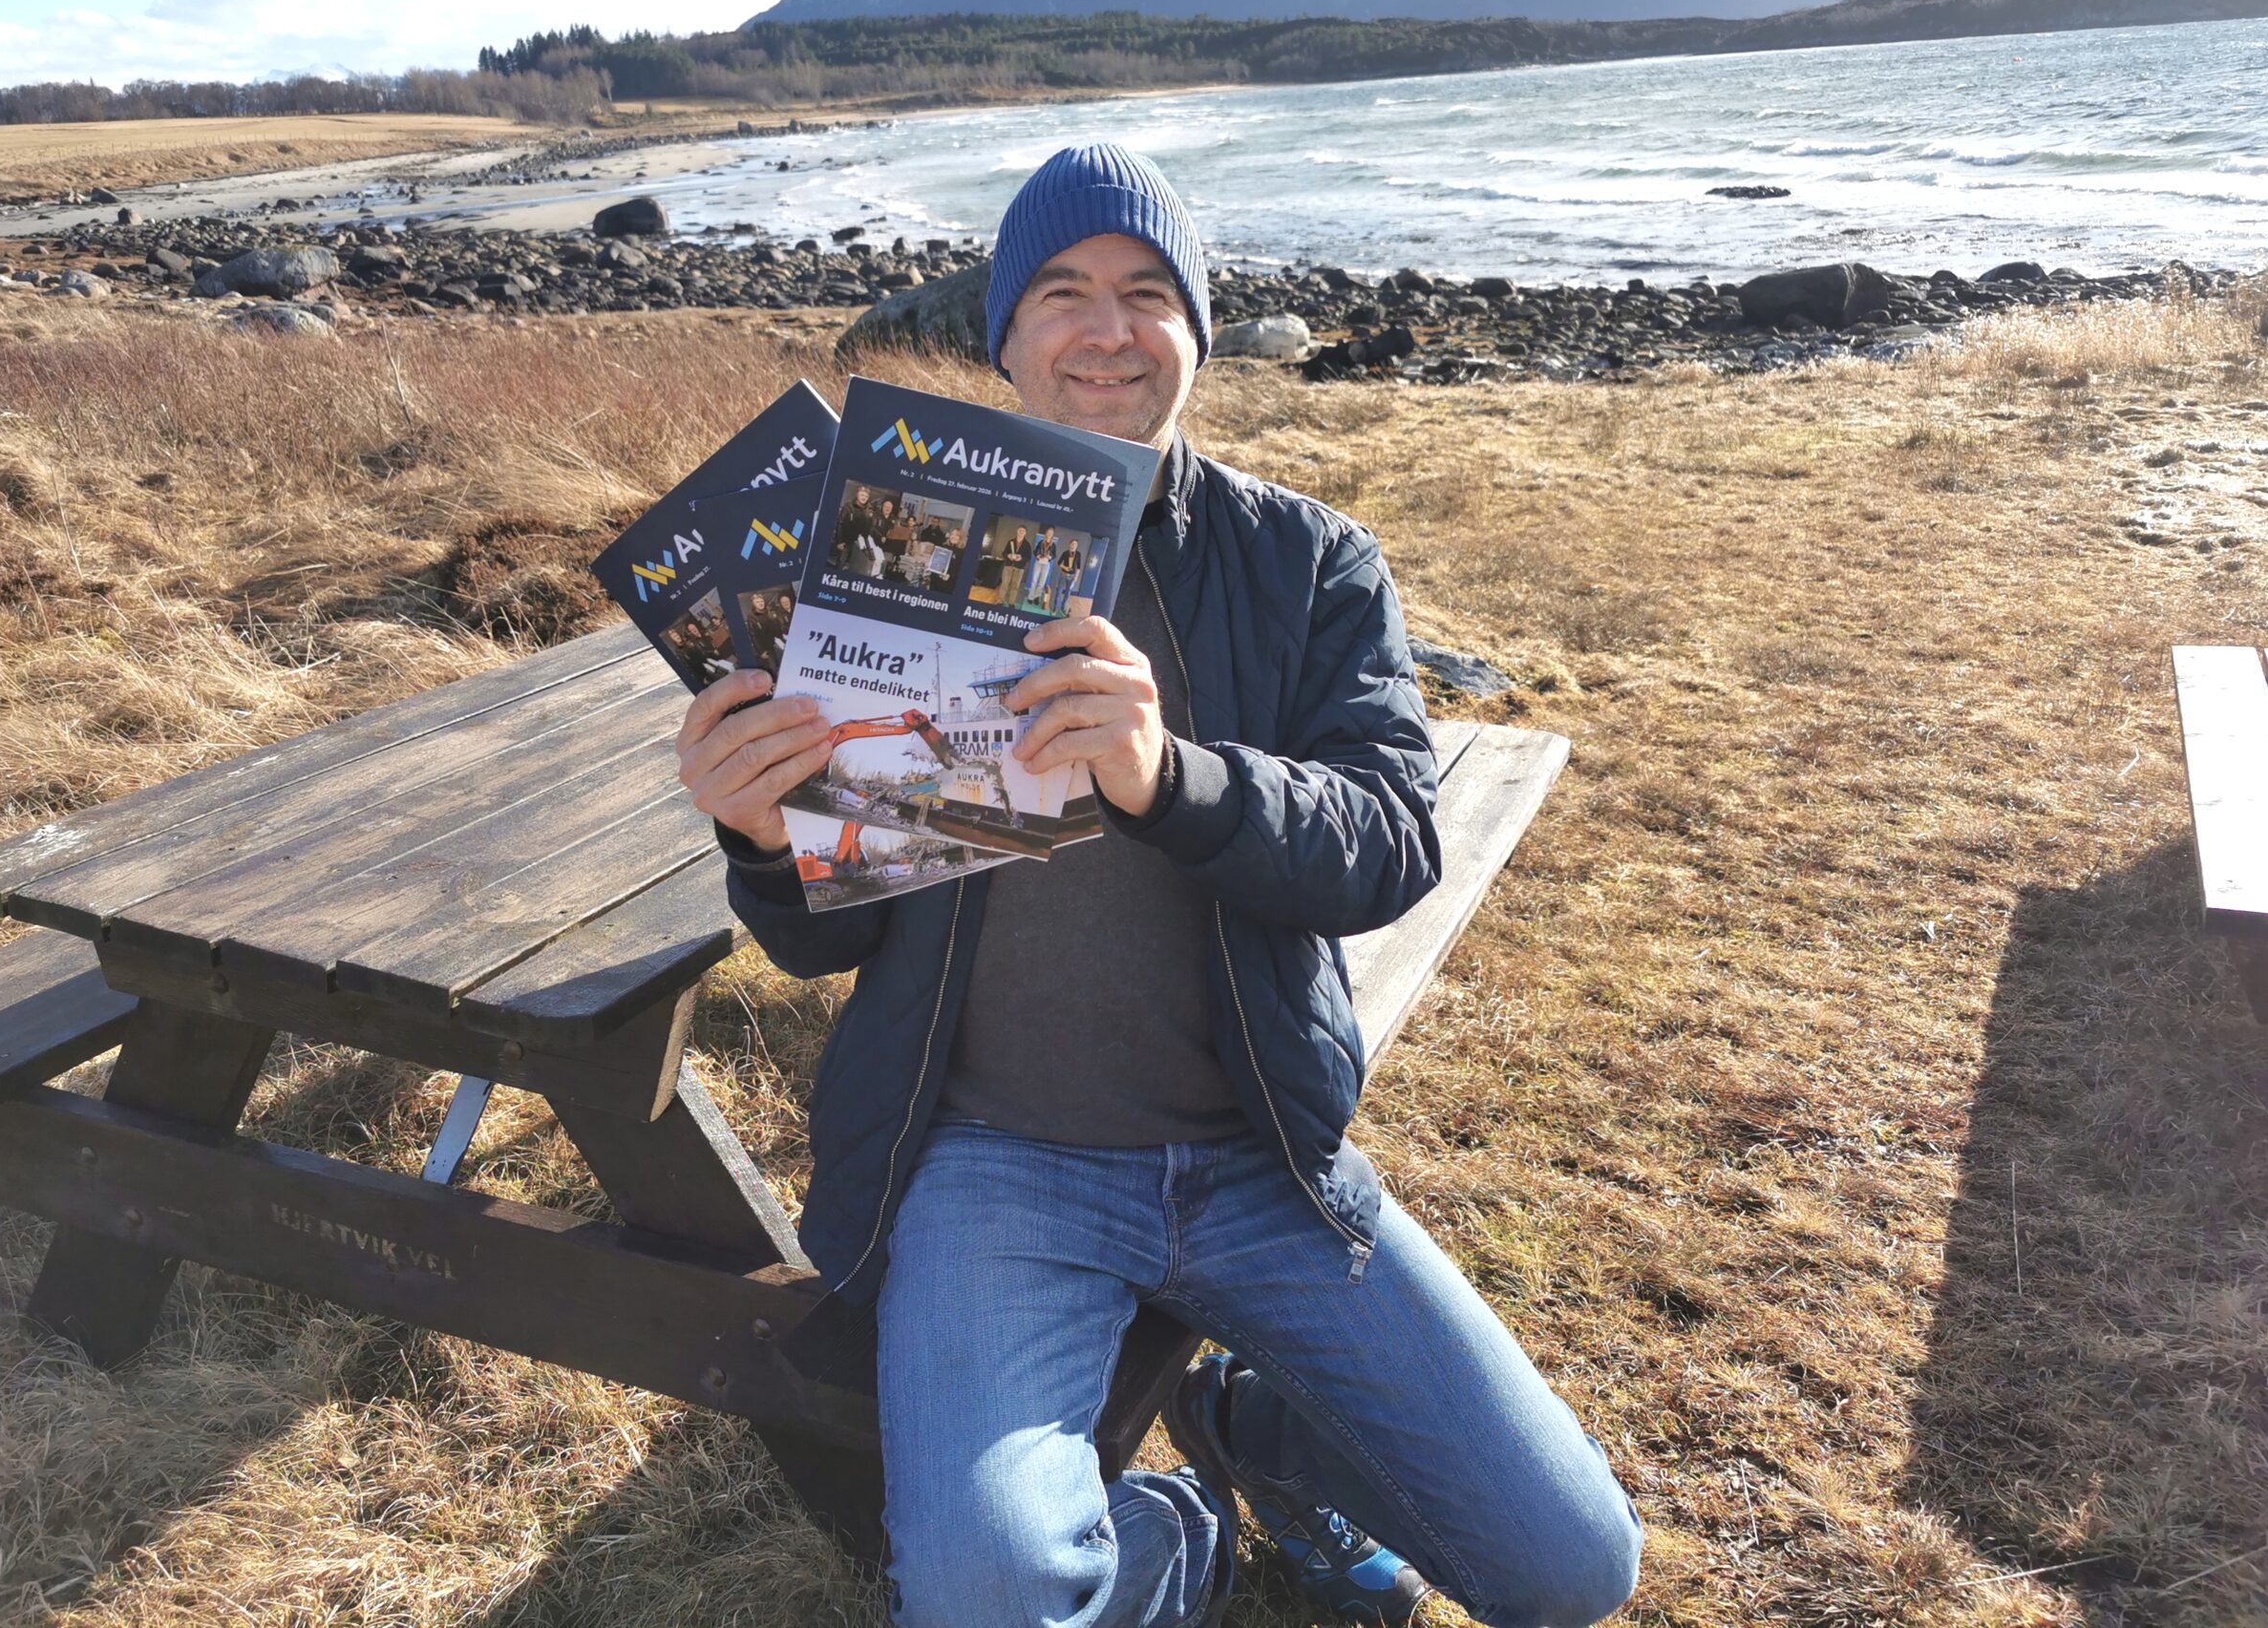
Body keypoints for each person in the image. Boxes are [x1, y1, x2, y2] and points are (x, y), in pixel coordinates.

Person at [675, 144, 1640, 1628]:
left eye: (1147, 293)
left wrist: (1169, 776)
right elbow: (820, 950)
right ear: (1002, 336)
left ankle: (1251, 1430)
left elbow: (1389, 839)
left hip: (1257, 1153)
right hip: (995, 1167)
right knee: (989, 1597)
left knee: (1574, 1568)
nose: (1107, 331)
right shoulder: (880, 548)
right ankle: (1174, 1533)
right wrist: (762, 838)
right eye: (1061, 293)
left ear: (1198, 329)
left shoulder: (1305, 561)